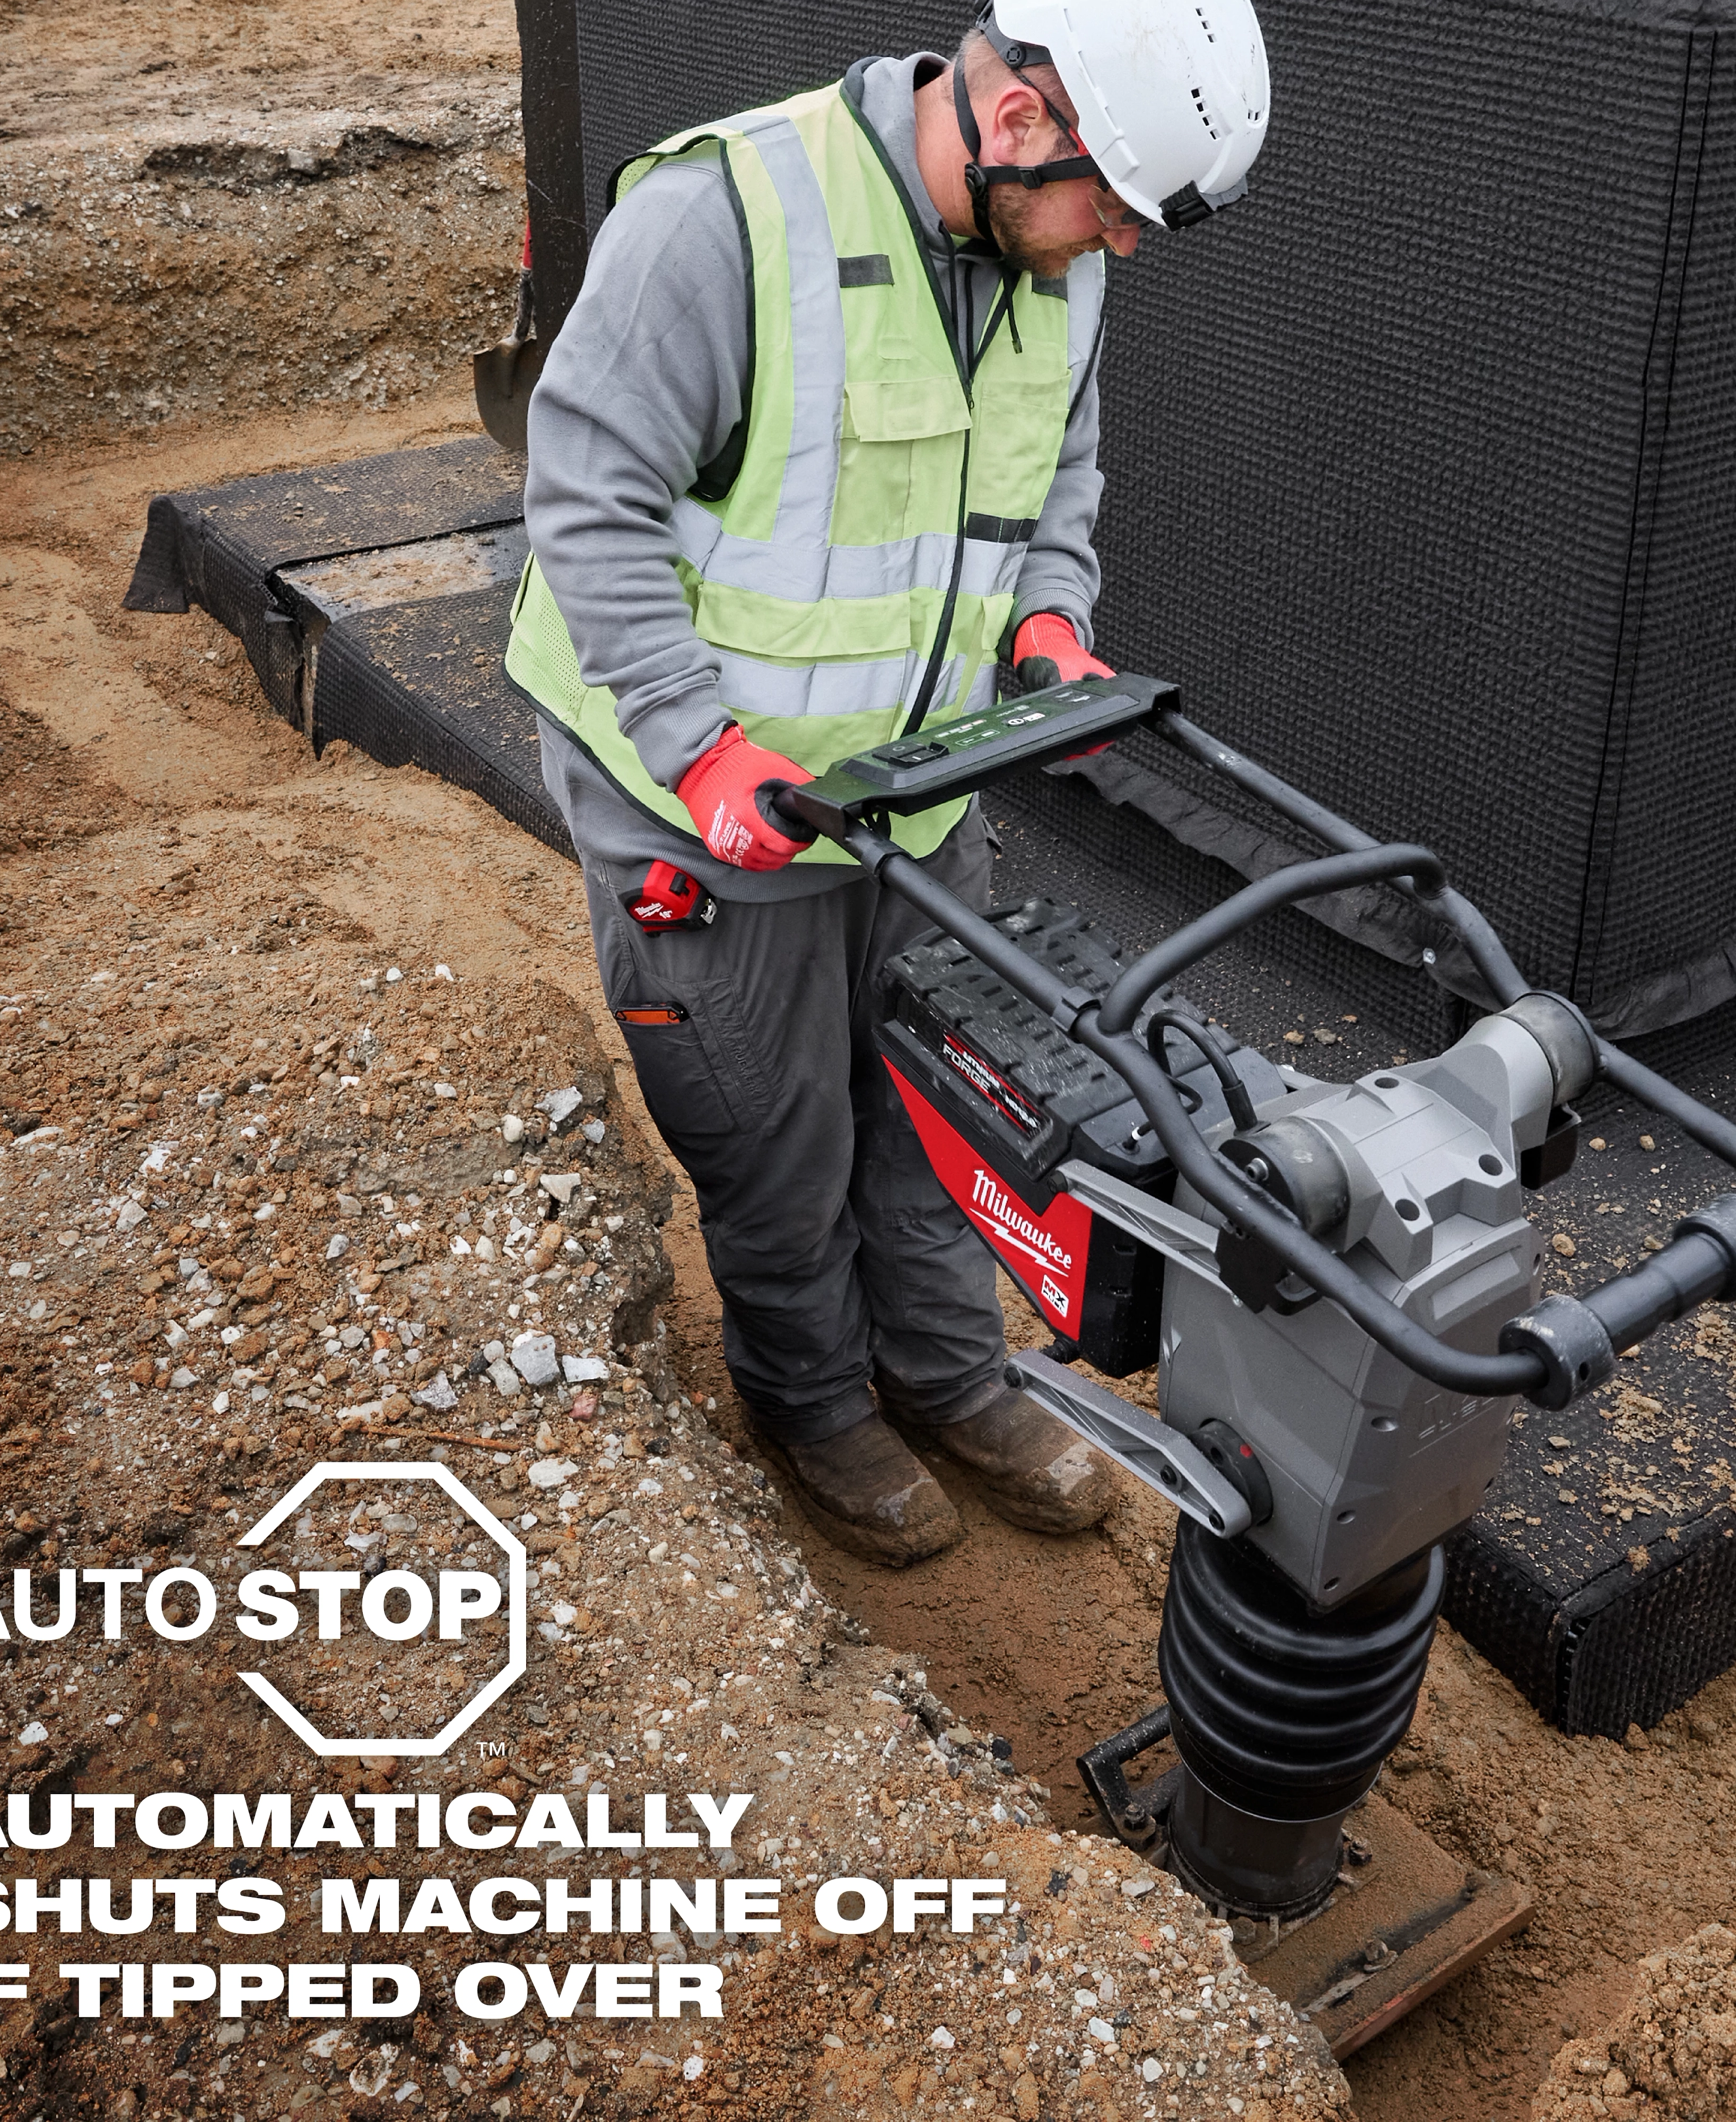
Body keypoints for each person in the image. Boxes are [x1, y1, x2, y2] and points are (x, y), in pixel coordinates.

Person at [505, 0, 1271, 1564]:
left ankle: (947, 1371)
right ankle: (811, 1405)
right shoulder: (723, 216)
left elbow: (1059, 465)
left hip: (910, 794)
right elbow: (584, 487)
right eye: (1113, 209)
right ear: (1016, 124)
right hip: (707, 804)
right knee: (775, 1143)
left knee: (940, 1107)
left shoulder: (1051, 256)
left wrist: (1052, 610)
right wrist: (697, 744)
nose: (1119, 247)